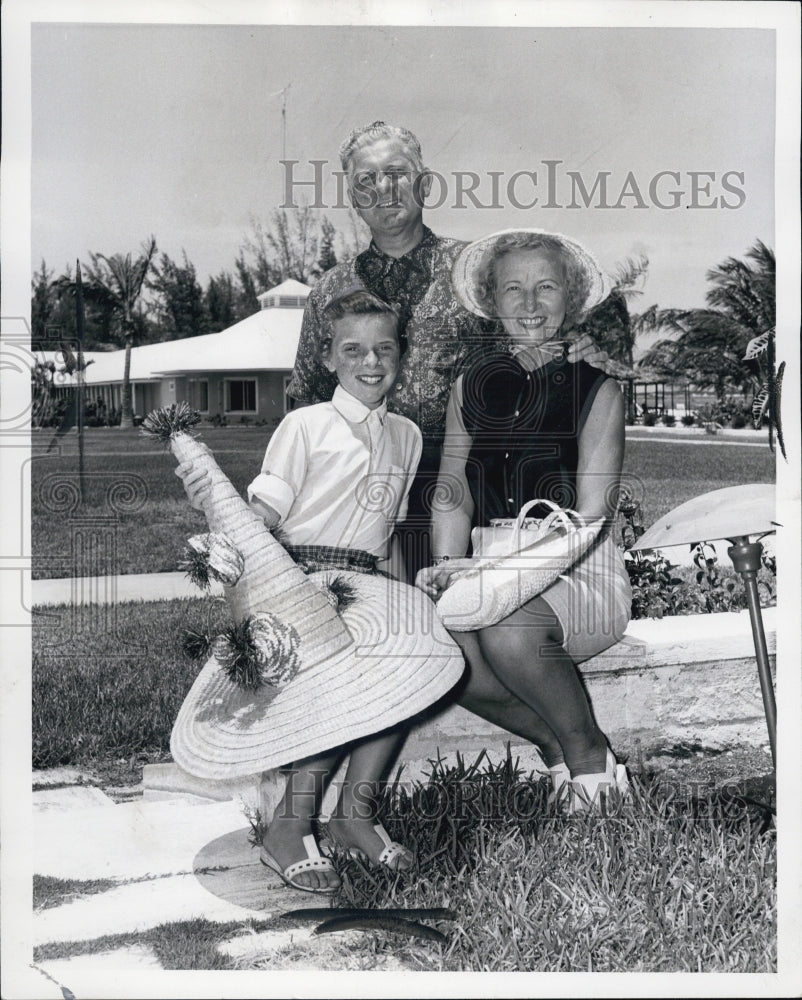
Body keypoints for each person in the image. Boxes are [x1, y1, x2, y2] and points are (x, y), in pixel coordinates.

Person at [177, 288, 461, 891]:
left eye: (384, 349)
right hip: (302, 583)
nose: (370, 362)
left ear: (401, 355)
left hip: (368, 583)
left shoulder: (407, 435)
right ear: (328, 358)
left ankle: (354, 814)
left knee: (405, 666)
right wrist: (213, 508)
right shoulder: (305, 425)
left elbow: (386, 530)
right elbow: (264, 514)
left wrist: (411, 597)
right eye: (352, 350)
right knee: (344, 689)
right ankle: (289, 826)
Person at [287, 121, 612, 580]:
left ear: (424, 183)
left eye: (396, 174)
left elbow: (532, 342)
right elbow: (305, 401)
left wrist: (578, 348)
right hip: (356, 493)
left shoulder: (475, 276)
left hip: (460, 487)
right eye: (366, 180)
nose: (383, 189)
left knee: (449, 605)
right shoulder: (329, 290)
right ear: (353, 198)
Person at [416, 229, 632, 811]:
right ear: (492, 301)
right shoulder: (470, 386)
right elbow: (453, 494)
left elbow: (592, 512)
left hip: (577, 568)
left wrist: (503, 576)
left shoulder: (598, 387)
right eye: (513, 288)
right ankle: (558, 743)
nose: (530, 303)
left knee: (508, 626)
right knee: (430, 641)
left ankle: (590, 764)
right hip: (487, 564)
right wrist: (450, 566)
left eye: (547, 287)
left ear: (572, 298)